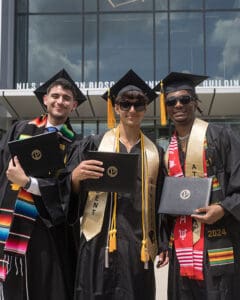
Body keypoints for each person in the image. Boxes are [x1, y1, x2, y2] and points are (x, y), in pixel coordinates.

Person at [68, 69, 166, 300]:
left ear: (146, 109)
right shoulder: (93, 144)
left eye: (139, 104)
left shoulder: (155, 153)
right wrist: (74, 178)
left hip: (137, 243)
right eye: (125, 104)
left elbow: (161, 201)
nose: (132, 110)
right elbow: (70, 193)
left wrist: (162, 243)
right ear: (115, 108)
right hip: (97, 241)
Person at [0, 68, 86, 300]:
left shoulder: (76, 144)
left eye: (66, 98)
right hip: (12, 222)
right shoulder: (20, 129)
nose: (60, 101)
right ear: (45, 99)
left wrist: (28, 182)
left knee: (49, 287)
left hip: (49, 228)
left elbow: (68, 188)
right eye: (55, 96)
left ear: (74, 105)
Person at [155, 72, 240, 300]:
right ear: (166, 107)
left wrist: (222, 209)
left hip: (216, 239)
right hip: (181, 245)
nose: (178, 105)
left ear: (196, 102)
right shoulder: (165, 152)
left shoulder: (220, 137)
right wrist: (163, 243)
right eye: (171, 101)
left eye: (185, 99)